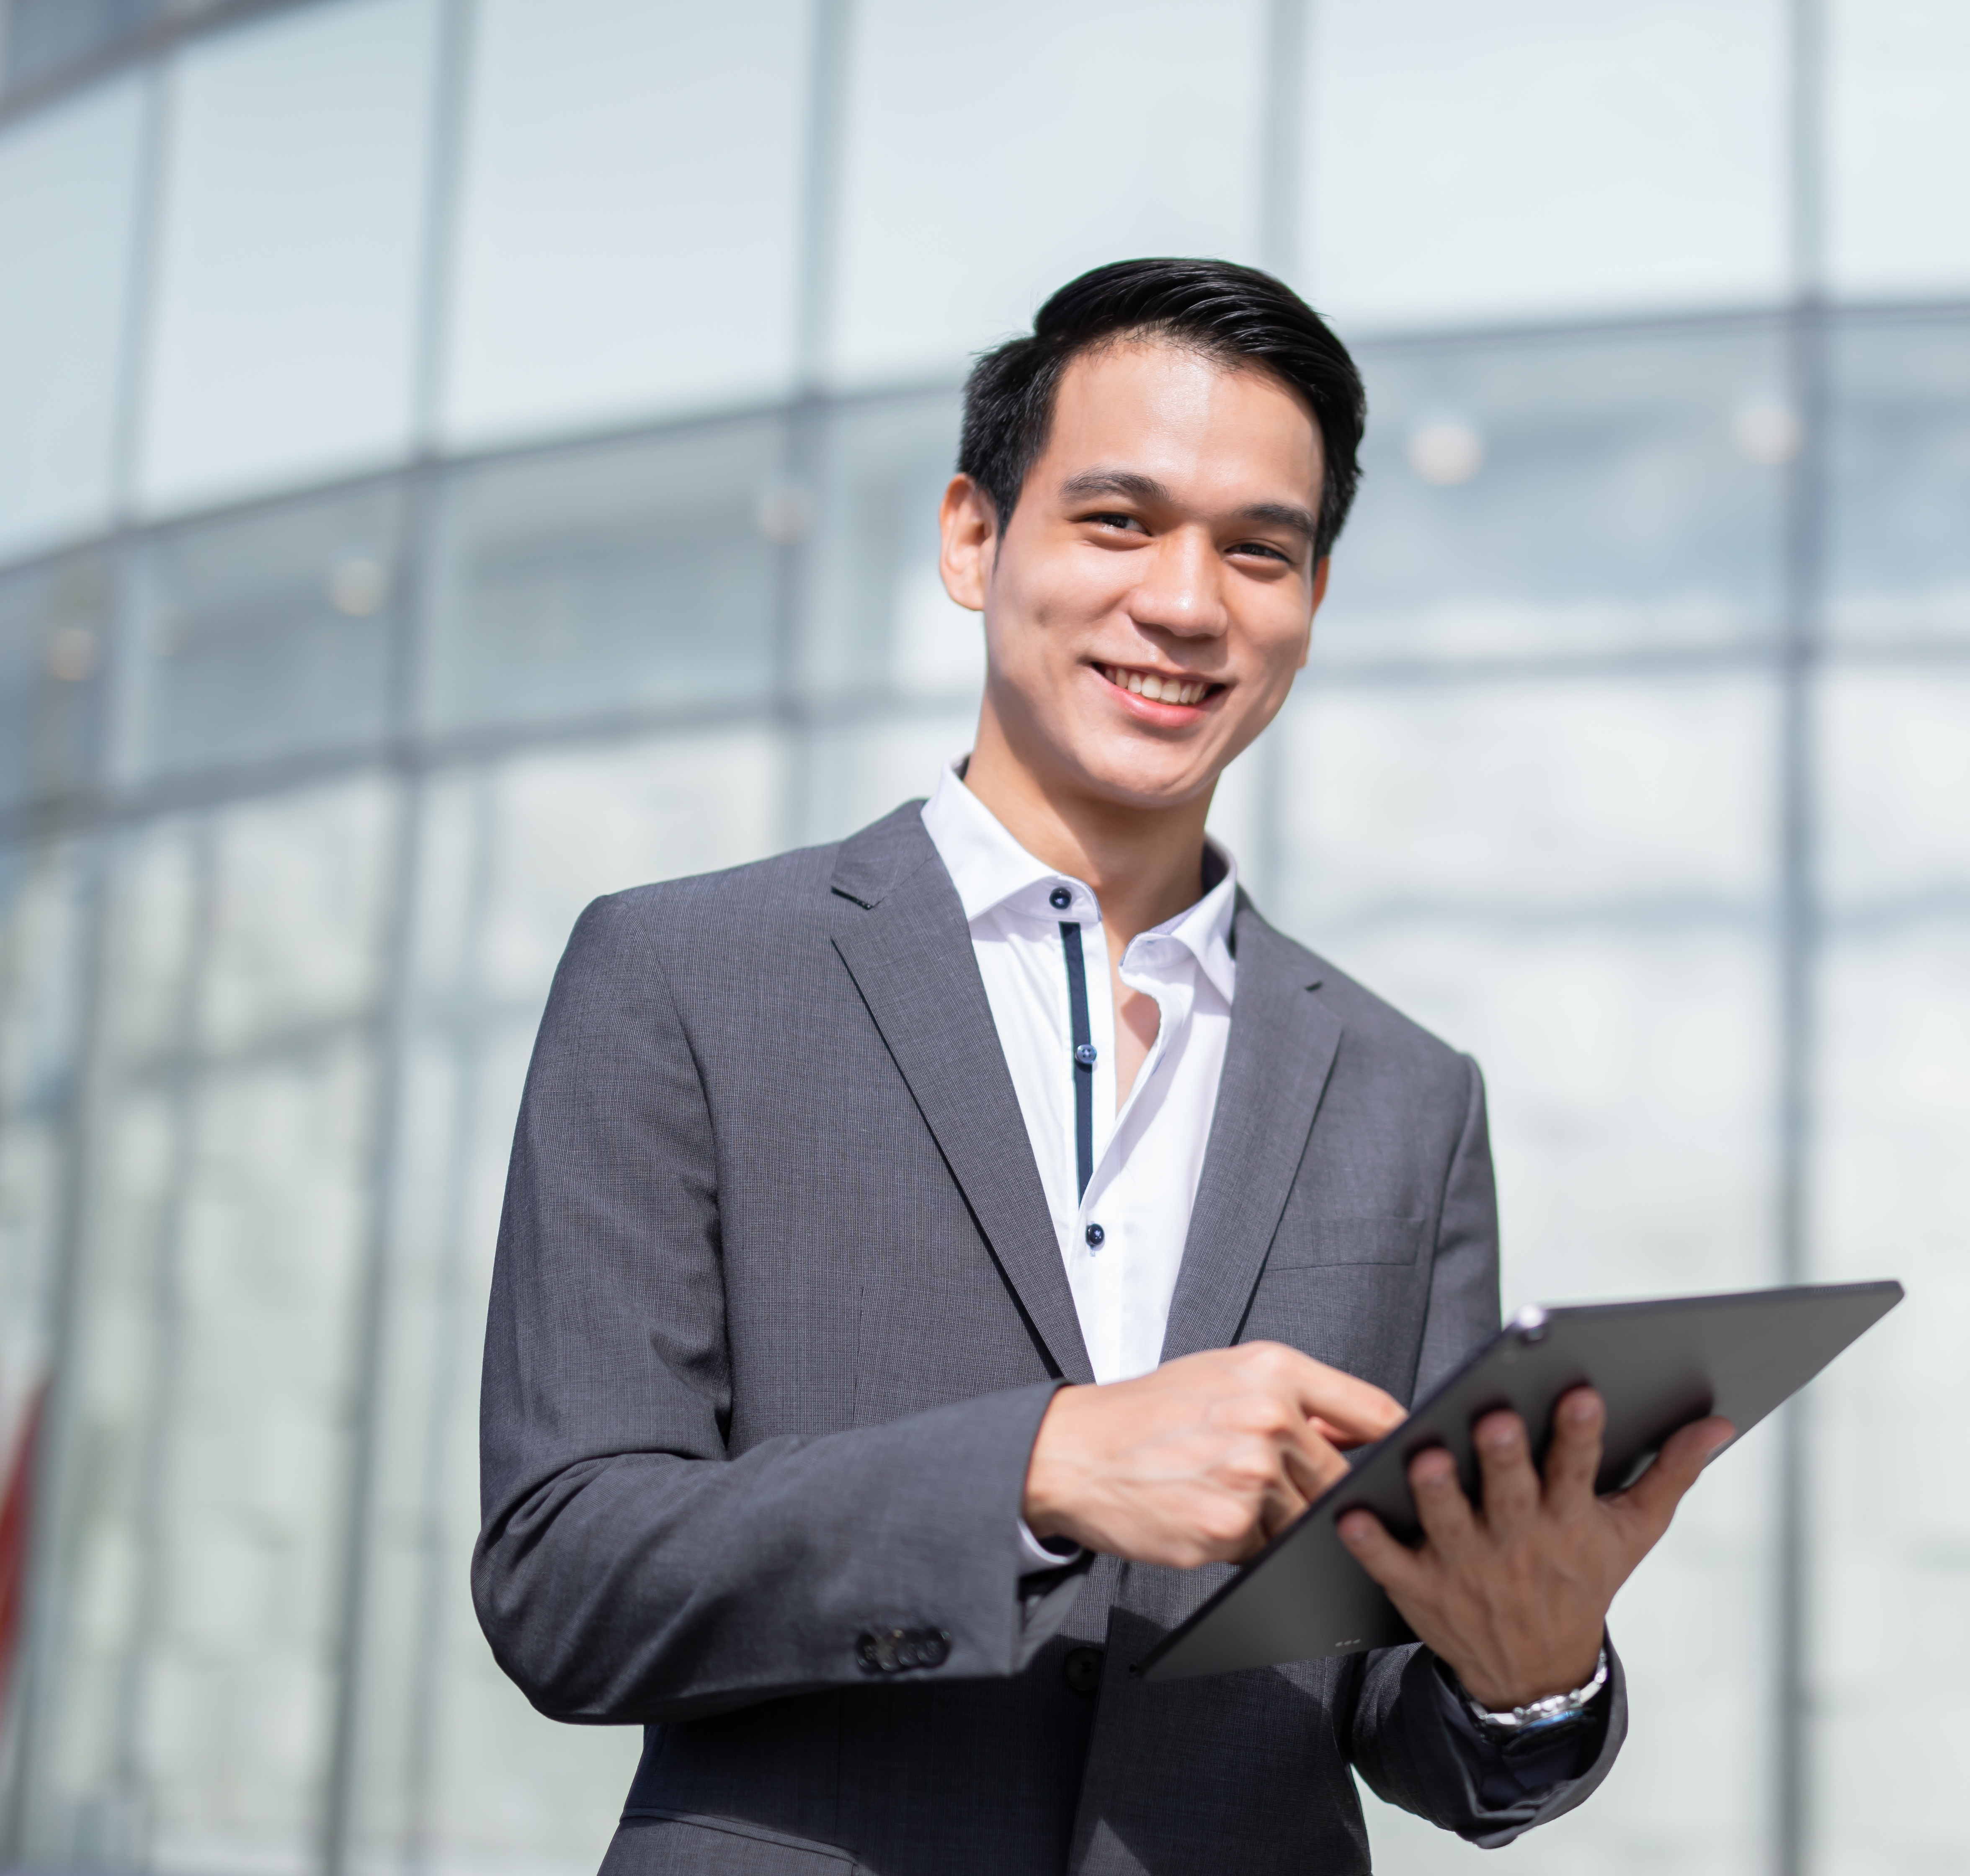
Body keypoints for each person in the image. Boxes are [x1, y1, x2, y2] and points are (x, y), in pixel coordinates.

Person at [474, 258, 1734, 1876]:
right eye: (1121, 522)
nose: (1191, 604)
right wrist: (1044, 1468)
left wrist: (1528, 1663)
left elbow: (1406, 1727)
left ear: (1313, 603)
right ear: (973, 537)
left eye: (1259, 551)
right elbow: (564, 1578)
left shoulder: (1410, 1095)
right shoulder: (685, 977)